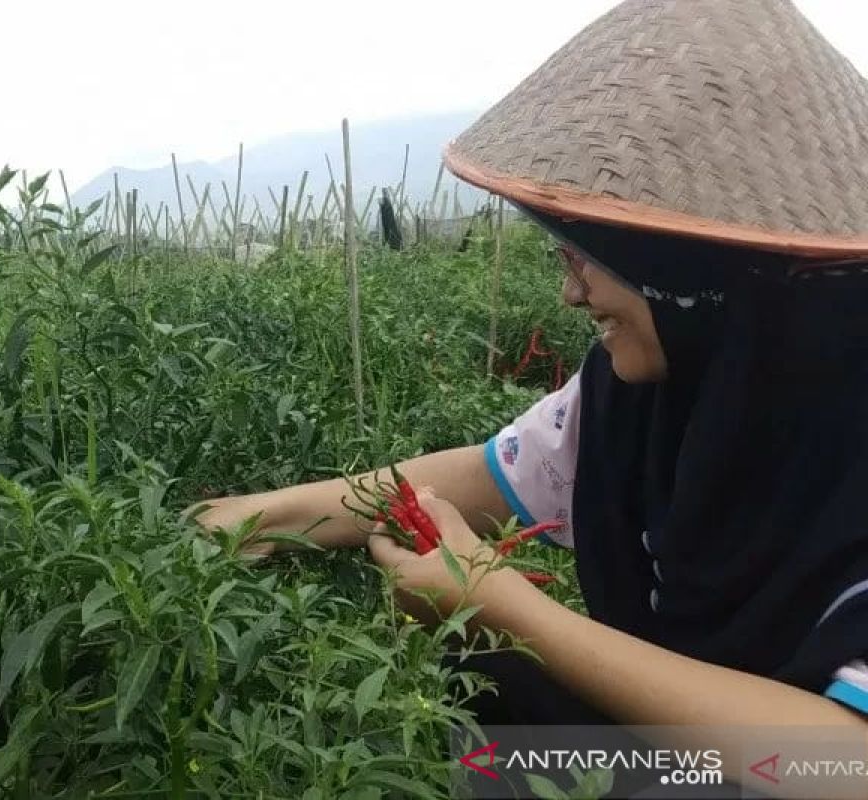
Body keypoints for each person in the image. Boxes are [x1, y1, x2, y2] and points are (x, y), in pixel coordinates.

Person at [193, 0, 868, 790]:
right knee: (484, 685)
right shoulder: (641, 394)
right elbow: (477, 477)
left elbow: (839, 761)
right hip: (689, 766)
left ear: (692, 275)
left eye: (590, 259)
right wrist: (256, 518)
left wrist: (501, 602)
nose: (571, 293)